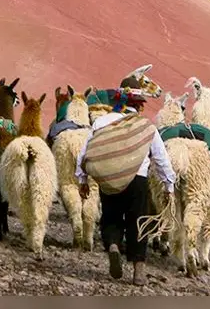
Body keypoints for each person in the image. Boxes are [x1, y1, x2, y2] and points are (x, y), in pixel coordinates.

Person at [76, 99, 177, 286]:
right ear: (139, 106)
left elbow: (86, 152)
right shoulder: (145, 126)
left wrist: (82, 179)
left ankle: (113, 244)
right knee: (138, 221)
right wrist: (169, 185)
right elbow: (161, 158)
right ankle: (138, 270)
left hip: (109, 177)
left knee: (110, 217)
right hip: (137, 179)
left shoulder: (102, 122)